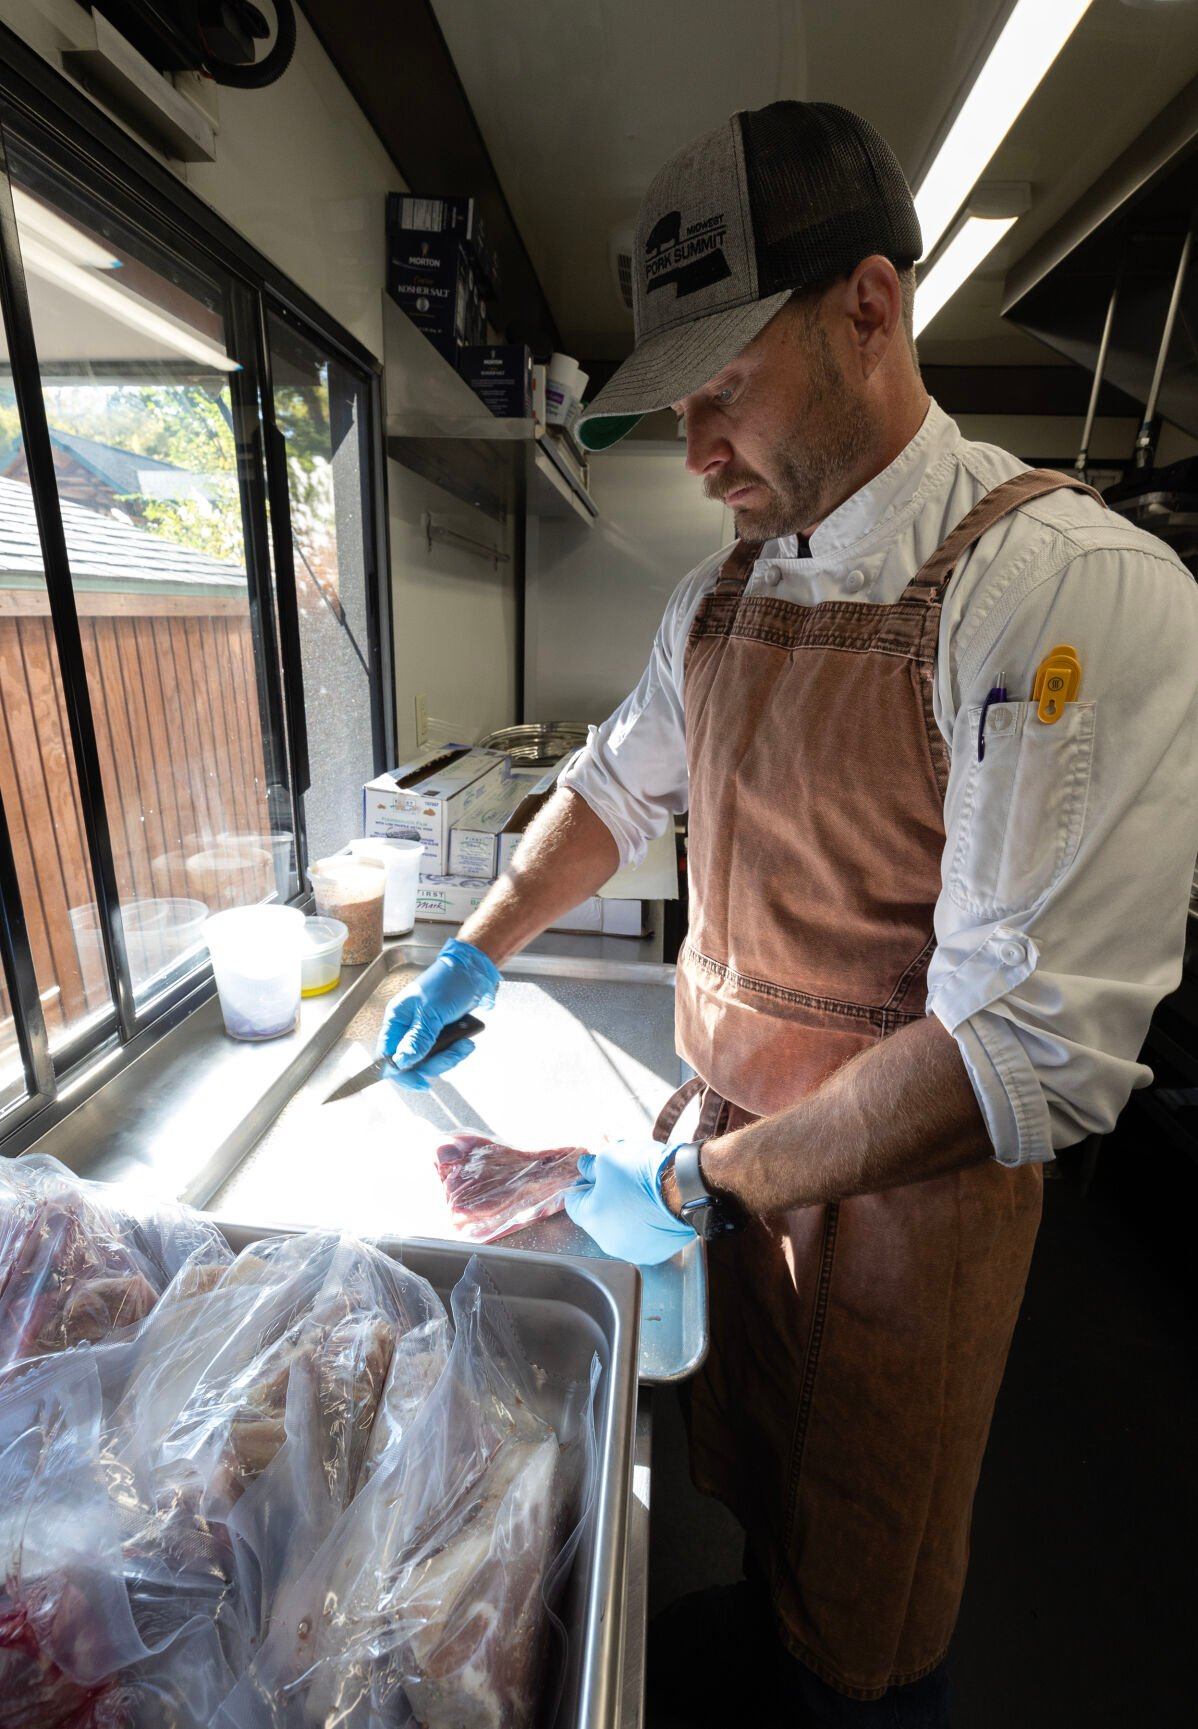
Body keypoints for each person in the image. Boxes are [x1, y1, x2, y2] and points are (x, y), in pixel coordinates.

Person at [377, 101, 1198, 1724]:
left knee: (868, 1603)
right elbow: (608, 795)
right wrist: (476, 943)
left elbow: (1019, 1055)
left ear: (869, 311)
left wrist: (688, 1175)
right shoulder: (723, 596)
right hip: (729, 1160)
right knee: (754, 1494)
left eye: (722, 391)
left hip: (903, 1216)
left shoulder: (1058, 593)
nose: (692, 453)